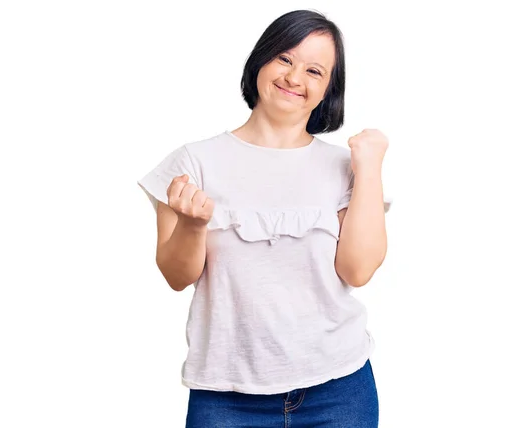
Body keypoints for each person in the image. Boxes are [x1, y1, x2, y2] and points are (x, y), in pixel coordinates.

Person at [137, 9, 392, 428]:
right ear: (261, 60)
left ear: (329, 89)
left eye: (314, 70)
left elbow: (358, 270)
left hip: (339, 390)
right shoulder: (194, 162)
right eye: (285, 59)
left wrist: (370, 169)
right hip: (226, 397)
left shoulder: (346, 166)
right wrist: (193, 225)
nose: (294, 78)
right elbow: (177, 275)